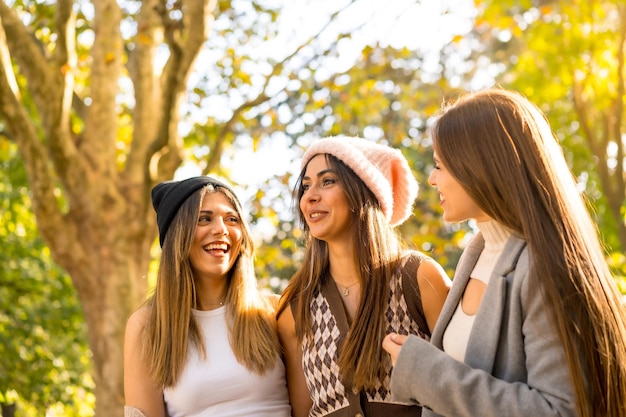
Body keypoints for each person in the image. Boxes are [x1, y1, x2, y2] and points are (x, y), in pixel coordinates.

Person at [383, 89, 626, 417]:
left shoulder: (544, 267)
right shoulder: (477, 254)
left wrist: (426, 371)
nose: (432, 178)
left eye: (440, 165)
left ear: (480, 166)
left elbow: (559, 410)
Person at [277, 136, 451, 417]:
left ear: (364, 191)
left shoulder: (418, 278)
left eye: (328, 181)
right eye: (306, 185)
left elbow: (463, 387)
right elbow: (301, 411)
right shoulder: (296, 307)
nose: (309, 196)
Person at [124, 176, 291, 417]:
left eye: (231, 219)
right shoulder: (147, 326)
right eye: (204, 219)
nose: (221, 230)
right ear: (177, 236)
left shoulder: (277, 311)